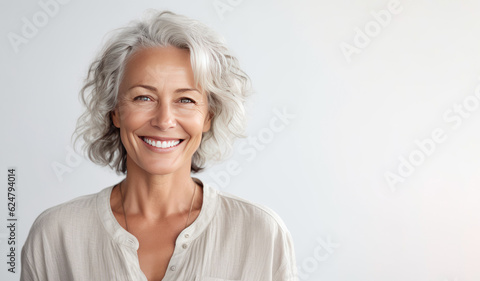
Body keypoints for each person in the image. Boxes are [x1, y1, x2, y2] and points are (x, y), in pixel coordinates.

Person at [20, 9, 298, 281]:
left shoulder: (261, 234)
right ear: (114, 111)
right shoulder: (56, 234)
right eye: (143, 97)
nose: (164, 120)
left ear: (208, 117)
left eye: (186, 100)